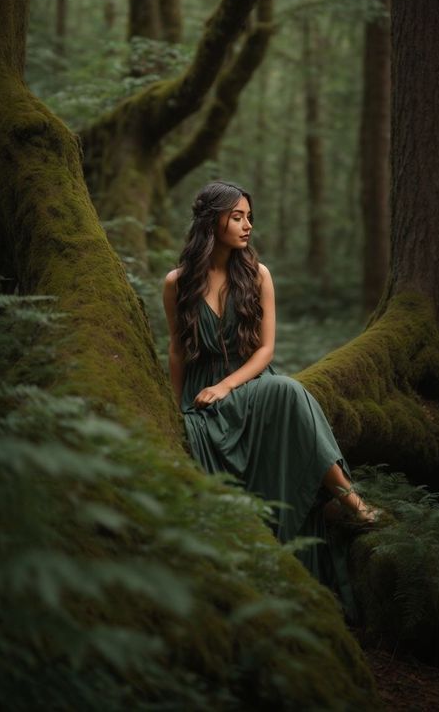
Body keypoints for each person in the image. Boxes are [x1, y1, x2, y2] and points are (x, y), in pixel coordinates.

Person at [163, 180, 379, 618]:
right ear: (212, 221)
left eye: (249, 217)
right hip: (200, 402)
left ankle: (351, 502)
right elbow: (176, 351)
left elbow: (265, 351)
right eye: (237, 216)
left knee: (287, 390)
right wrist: (174, 409)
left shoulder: (257, 275)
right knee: (281, 396)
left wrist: (227, 386)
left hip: (249, 387)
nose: (247, 226)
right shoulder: (177, 283)